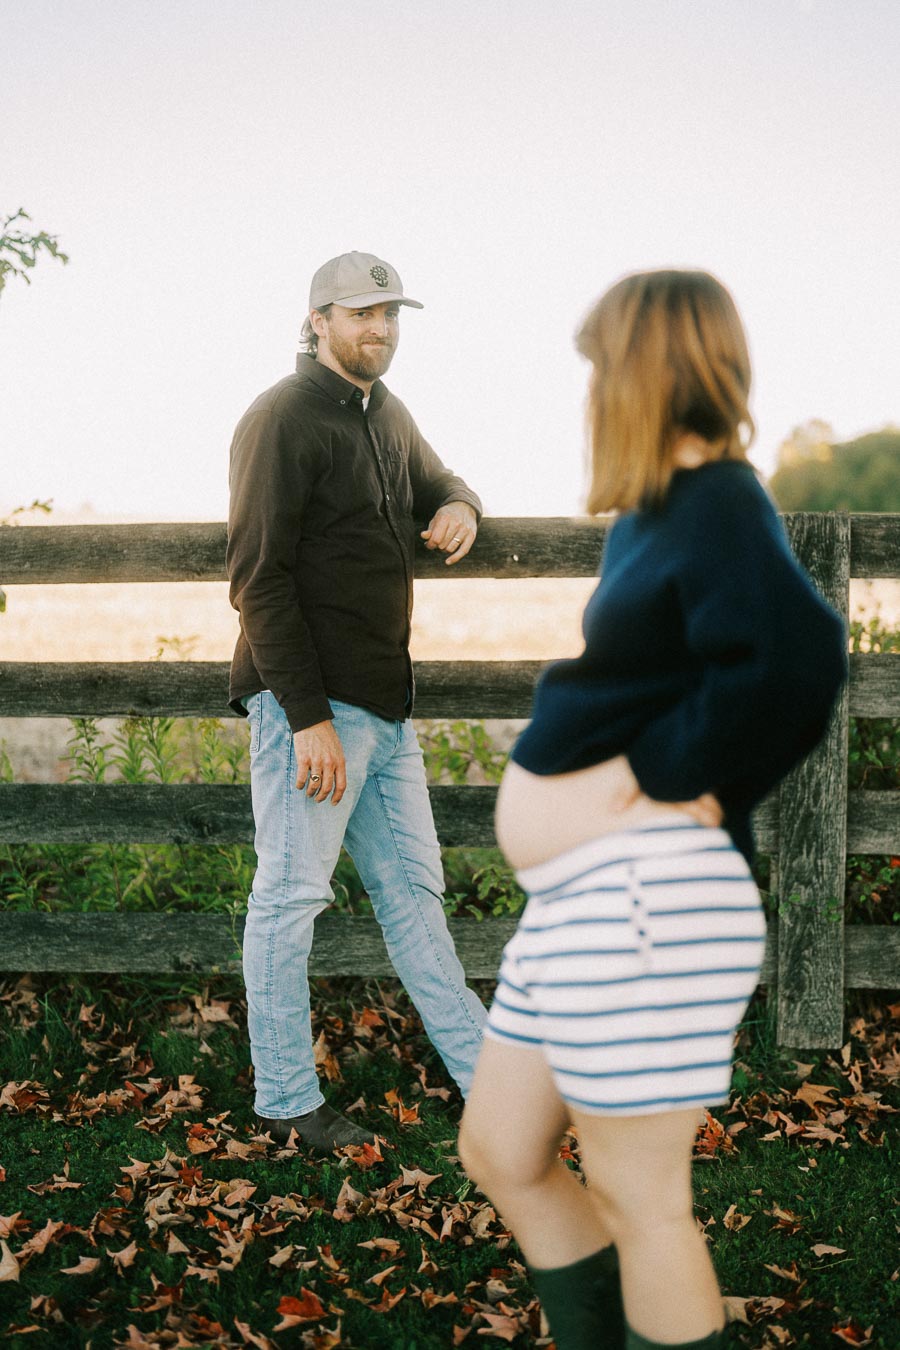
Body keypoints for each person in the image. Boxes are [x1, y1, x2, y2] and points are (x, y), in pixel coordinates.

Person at [458, 270, 847, 1350]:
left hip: (646, 895)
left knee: (642, 1199)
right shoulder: (656, 514)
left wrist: (671, 772)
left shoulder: (719, 498)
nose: (590, 391)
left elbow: (797, 658)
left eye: (599, 368)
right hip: (585, 897)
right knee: (503, 1149)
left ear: (646, 372)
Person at [226, 250, 487, 1152]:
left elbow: (442, 480)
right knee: (290, 897)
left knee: (417, 895)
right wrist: (307, 721)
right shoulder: (280, 419)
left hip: (385, 711)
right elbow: (259, 582)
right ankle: (287, 1102)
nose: (380, 329)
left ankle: (489, 1090)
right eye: (361, 314)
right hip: (312, 712)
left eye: (390, 315)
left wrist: (461, 505)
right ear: (318, 322)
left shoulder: (387, 414)